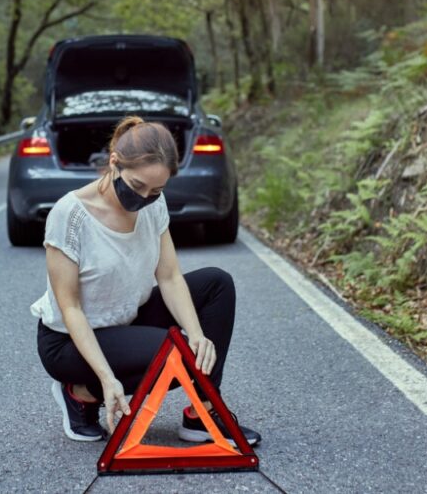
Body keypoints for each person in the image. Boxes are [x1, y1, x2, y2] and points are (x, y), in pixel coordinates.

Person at [31, 115, 261, 445]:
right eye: (137, 186)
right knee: (175, 355)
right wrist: (107, 380)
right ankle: (81, 393)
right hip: (69, 341)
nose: (144, 197)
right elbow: (71, 308)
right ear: (114, 163)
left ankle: (203, 411)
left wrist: (197, 334)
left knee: (216, 284)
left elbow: (168, 276)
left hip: (126, 317)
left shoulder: (153, 203)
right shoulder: (70, 215)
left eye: (156, 190)